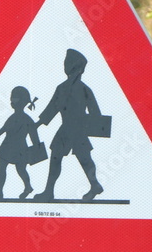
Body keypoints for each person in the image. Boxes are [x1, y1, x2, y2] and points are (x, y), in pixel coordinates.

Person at [34, 49, 105, 201]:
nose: (65, 66)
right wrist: (38, 123)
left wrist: (97, 126)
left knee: (85, 159)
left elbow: (95, 113)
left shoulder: (85, 89)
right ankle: (49, 191)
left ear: (77, 68)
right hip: (65, 130)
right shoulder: (62, 88)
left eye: (68, 64)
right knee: (56, 158)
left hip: (78, 130)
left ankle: (94, 185)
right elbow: (52, 108)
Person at [0, 86, 42, 199]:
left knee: (20, 169)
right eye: (12, 99)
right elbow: (3, 130)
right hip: (7, 146)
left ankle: (28, 187)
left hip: (20, 148)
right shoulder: (12, 117)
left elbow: (34, 136)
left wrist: (36, 149)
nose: (12, 102)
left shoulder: (27, 119)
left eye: (15, 100)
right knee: (2, 167)